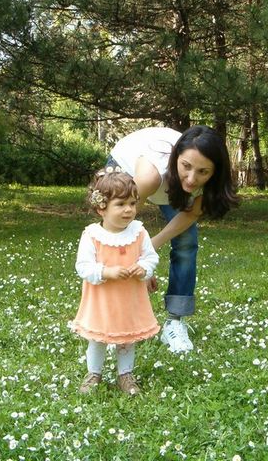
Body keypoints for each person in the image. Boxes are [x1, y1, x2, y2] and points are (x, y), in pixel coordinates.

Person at [108, 125, 238, 354]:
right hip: (128, 168)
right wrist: (140, 264)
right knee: (115, 245)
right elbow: (121, 226)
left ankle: (175, 321)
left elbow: (189, 216)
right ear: (177, 157)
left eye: (203, 172)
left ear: (215, 172)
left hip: (169, 184)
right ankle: (115, 324)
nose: (192, 179)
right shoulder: (149, 176)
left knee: (187, 241)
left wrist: (149, 250)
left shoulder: (208, 184)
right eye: (186, 166)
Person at [72, 167, 159, 396]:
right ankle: (93, 373)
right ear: (101, 208)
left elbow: (151, 257)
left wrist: (144, 267)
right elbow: (83, 266)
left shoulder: (139, 233)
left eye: (132, 203)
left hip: (129, 300)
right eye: (120, 204)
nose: (128, 209)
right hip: (102, 300)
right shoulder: (92, 236)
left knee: (127, 338)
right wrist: (106, 272)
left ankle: (125, 375)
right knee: (98, 338)